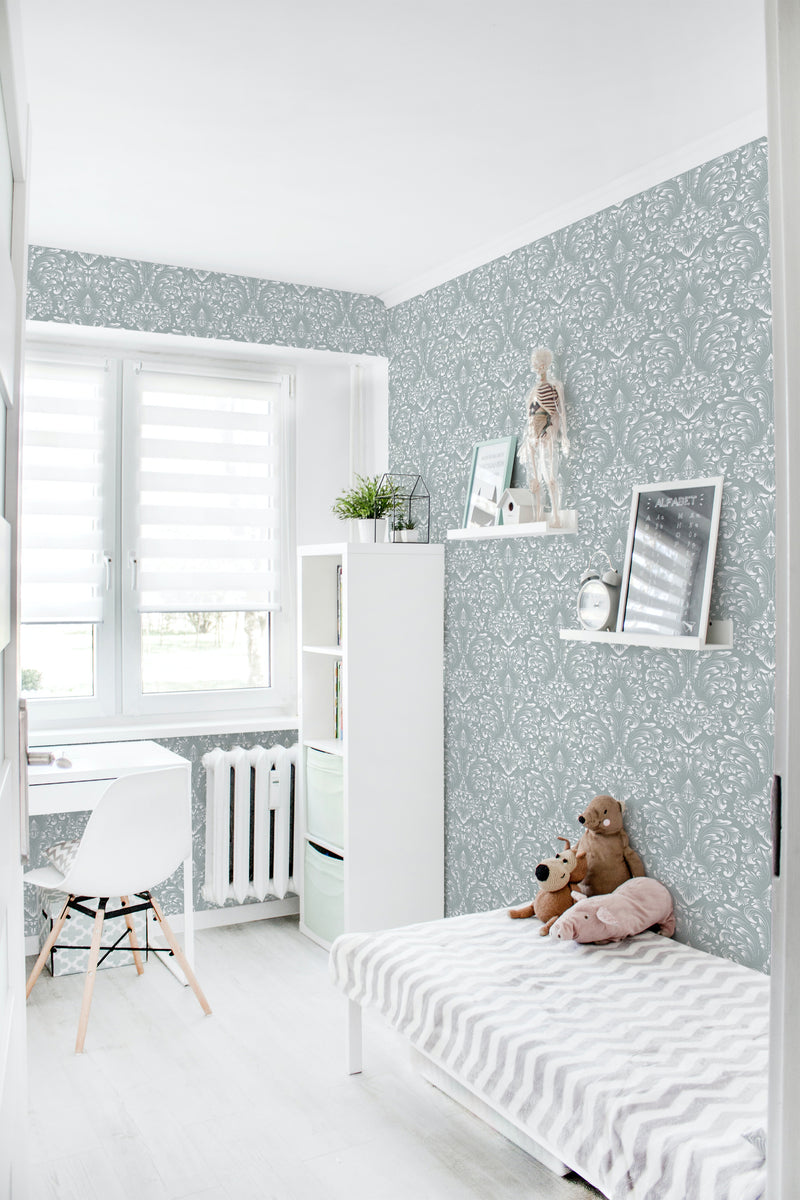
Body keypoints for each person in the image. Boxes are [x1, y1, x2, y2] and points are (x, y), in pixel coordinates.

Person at [518, 346, 569, 526]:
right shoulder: (532, 391)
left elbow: (560, 411)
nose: (538, 368)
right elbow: (528, 417)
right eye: (536, 364)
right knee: (535, 479)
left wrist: (563, 436)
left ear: (547, 365)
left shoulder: (555, 386)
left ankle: (555, 516)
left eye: (541, 364)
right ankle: (538, 515)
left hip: (547, 432)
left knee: (550, 476)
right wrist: (526, 440)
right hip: (532, 435)